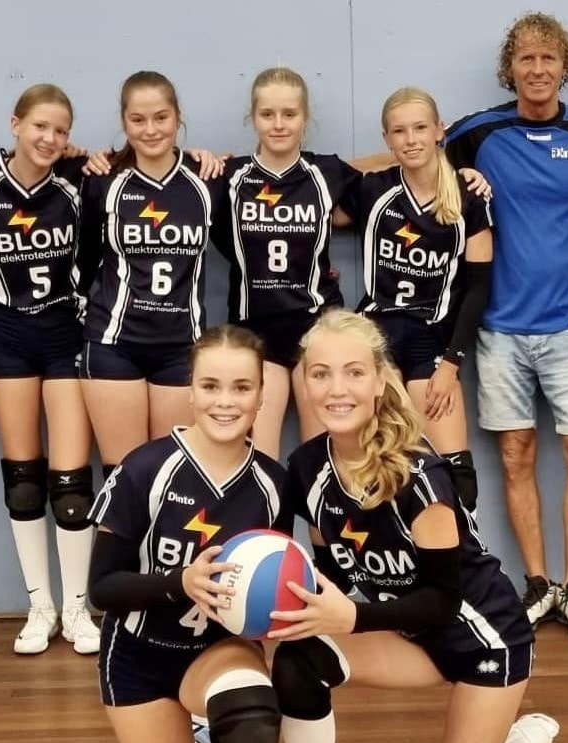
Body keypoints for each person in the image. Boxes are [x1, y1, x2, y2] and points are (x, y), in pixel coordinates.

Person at [264, 309, 557, 743]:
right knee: (298, 652)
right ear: (304, 383)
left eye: (353, 372)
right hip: (409, 636)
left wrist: (353, 617)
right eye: (320, 374)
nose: (337, 389)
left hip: (483, 642)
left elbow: (443, 602)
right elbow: (326, 565)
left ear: (380, 380)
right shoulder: (307, 468)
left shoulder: (420, 476)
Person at [87, 325, 290, 743]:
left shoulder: (273, 486)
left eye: (242, 387)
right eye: (211, 385)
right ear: (191, 390)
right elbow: (102, 589)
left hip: (216, 650)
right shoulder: (145, 468)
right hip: (138, 657)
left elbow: (268, 586)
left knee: (250, 711)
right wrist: (180, 582)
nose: (226, 401)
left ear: (261, 396)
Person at [444, 12, 568, 642]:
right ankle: (538, 585)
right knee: (515, 456)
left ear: (564, 67)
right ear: (509, 68)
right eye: (526, 59)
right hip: (500, 330)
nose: (537, 69)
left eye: (548, 59)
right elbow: (409, 155)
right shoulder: (479, 132)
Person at [0, 84, 100, 655]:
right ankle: (41, 606)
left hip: (66, 336)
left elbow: (144, 156)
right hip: (8, 337)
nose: (49, 139)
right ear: (15, 124)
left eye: (60, 131)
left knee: (71, 484)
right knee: (24, 479)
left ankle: (77, 607)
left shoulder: (78, 177)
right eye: (39, 127)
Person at [345, 85, 494, 513]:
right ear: (387, 138)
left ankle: (463, 555)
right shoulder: (374, 190)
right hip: (376, 342)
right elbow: (319, 182)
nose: (411, 140)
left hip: (433, 342)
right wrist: (390, 158)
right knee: (382, 469)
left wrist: (452, 363)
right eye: (399, 132)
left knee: (457, 476)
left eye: (420, 129)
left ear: (440, 130)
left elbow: (479, 288)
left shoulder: (468, 196)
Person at [78, 70, 224, 478]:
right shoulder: (103, 180)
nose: (151, 129)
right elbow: (83, 260)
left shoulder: (208, 179)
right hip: (113, 344)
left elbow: (247, 244)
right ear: (123, 122)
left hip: (181, 347)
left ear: (178, 117)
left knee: (172, 474)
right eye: (138, 120)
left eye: (161, 117)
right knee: (124, 478)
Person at [213, 67, 361, 459]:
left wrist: (448, 163)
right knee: (257, 460)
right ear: (253, 118)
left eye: (289, 114)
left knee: (323, 459)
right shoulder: (228, 176)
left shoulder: (326, 171)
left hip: (316, 327)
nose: (278, 124)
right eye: (267, 114)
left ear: (305, 118)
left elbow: (391, 175)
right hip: (254, 329)